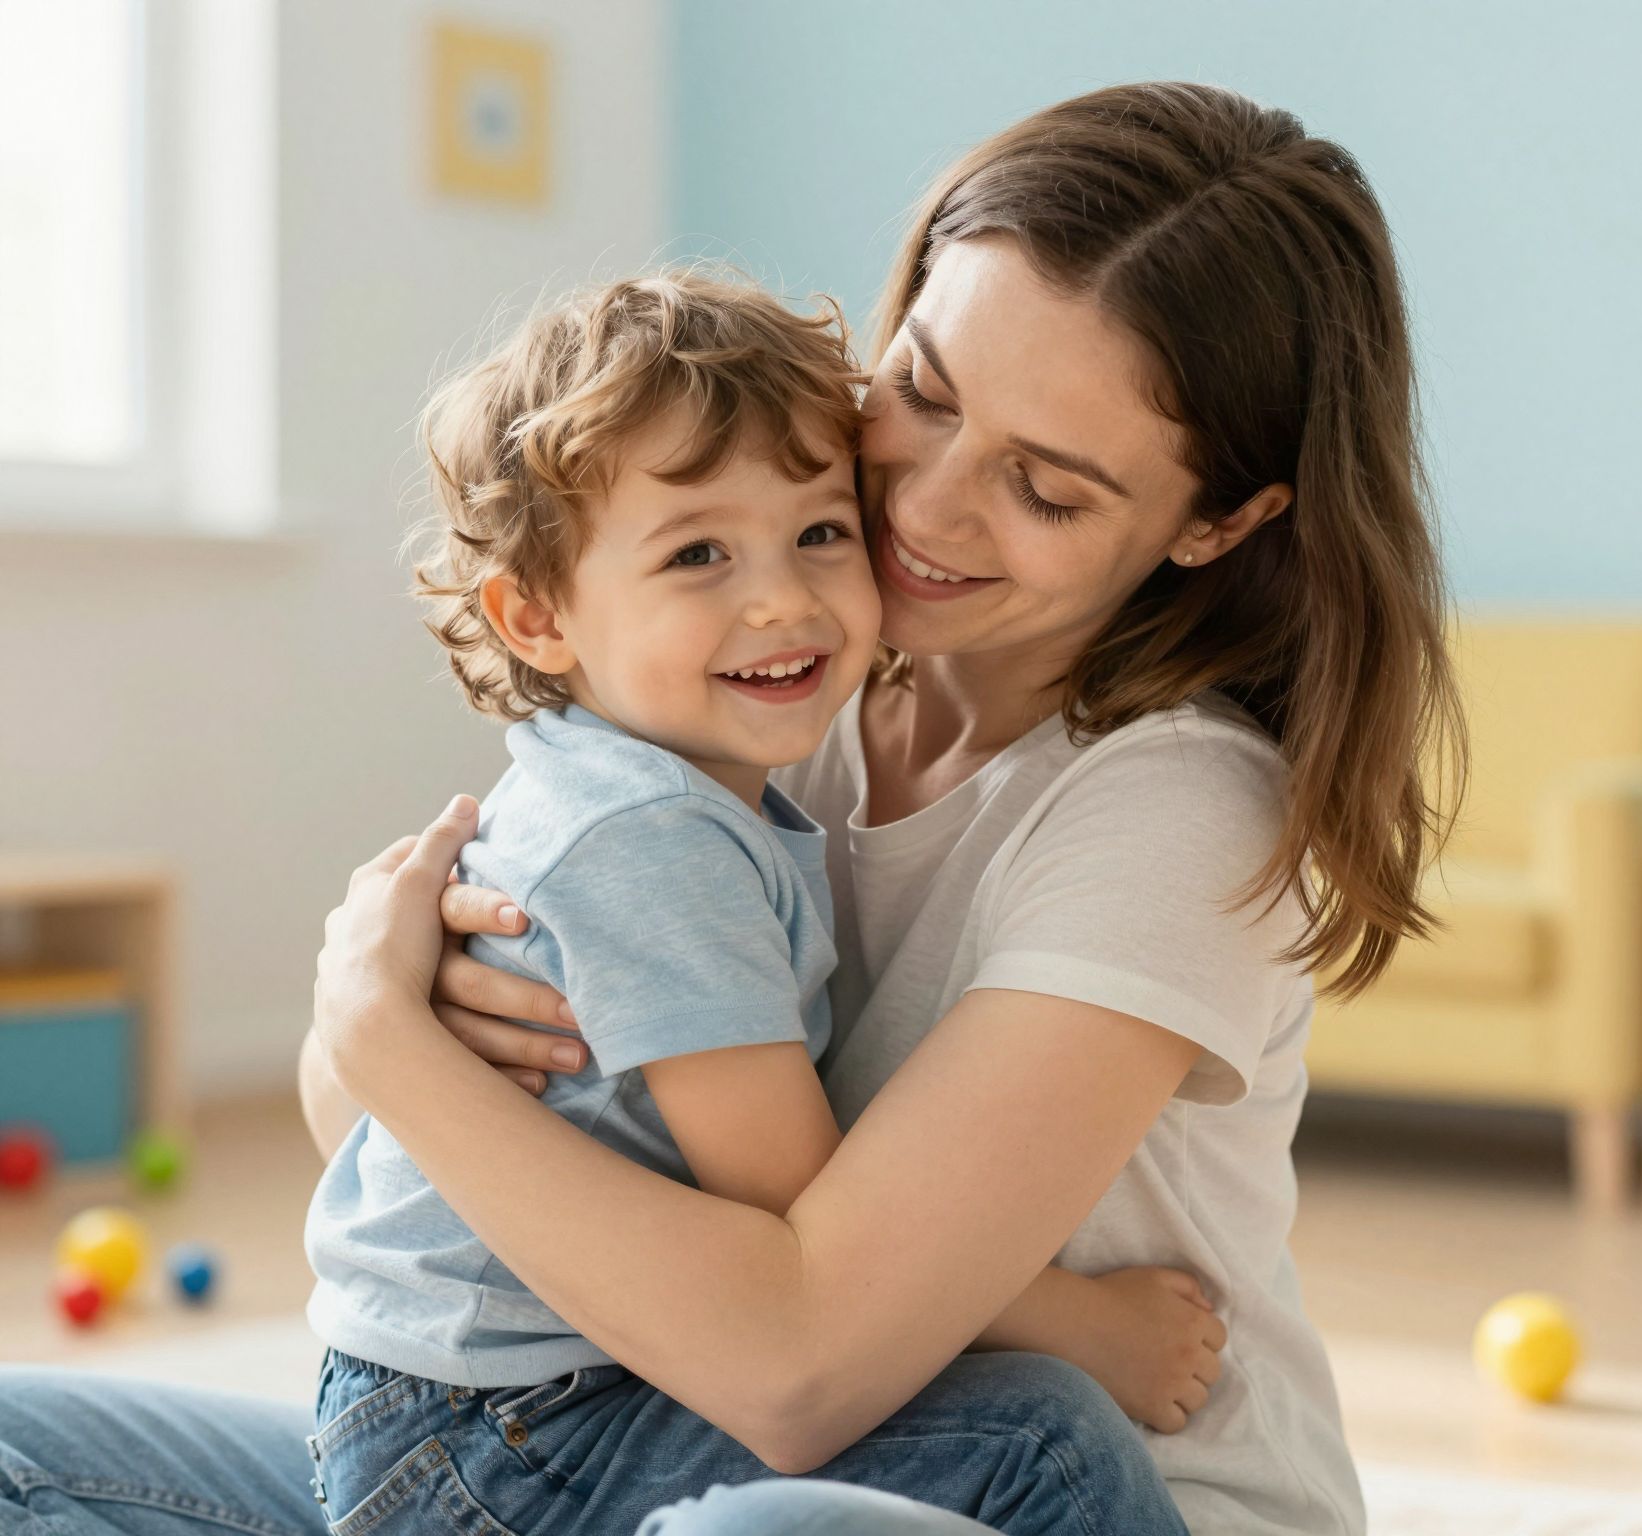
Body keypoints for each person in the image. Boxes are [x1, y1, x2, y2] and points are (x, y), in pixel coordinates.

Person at [0, 81, 1459, 1536]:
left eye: (1046, 489)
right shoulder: (768, 695)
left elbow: (795, 1368)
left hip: (1013, 1487)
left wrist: (380, 1028)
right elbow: (398, 1170)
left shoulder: (1174, 810)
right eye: (928, 395)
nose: (928, 511)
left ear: (1220, 523)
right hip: (638, 1426)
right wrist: (383, 1036)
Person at [299, 268, 1205, 1532]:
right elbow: (791, 1202)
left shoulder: (655, 782)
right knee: (1040, 1440)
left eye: (820, 533)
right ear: (536, 614)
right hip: (509, 1432)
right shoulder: (653, 835)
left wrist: (374, 1031)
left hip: (467, 1400)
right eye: (698, 553)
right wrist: (1085, 1323)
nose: (780, 597)